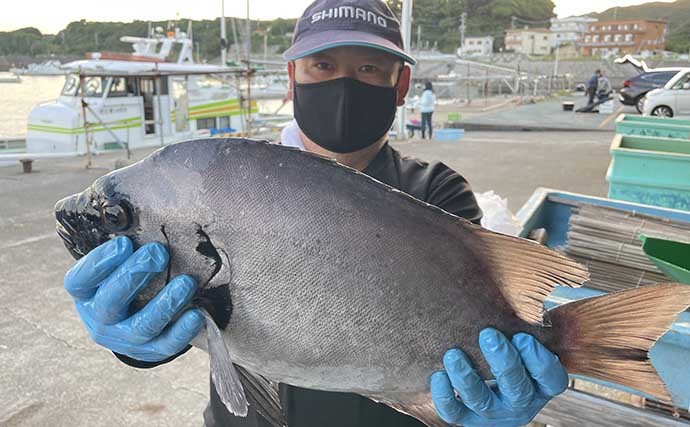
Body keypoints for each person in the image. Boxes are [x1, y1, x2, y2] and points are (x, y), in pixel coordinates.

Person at [62, 1, 568, 426]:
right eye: (322, 65)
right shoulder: (212, 188)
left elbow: (479, 301)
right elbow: (195, 313)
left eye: (369, 68)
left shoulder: (434, 189)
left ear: (401, 84)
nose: (344, 85)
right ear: (292, 77)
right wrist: (134, 336)